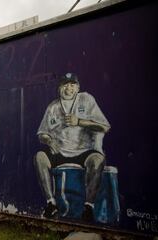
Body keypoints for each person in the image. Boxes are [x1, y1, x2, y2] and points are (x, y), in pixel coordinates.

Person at [34, 73, 110, 221]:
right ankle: (51, 204)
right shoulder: (53, 107)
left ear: (78, 87)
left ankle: (88, 206)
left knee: (97, 160)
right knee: (39, 157)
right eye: (65, 84)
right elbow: (41, 134)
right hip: (60, 152)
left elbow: (104, 127)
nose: (68, 88)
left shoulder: (86, 99)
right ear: (59, 88)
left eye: (72, 84)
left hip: (84, 151)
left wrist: (80, 122)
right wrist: (49, 141)